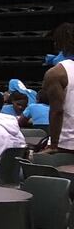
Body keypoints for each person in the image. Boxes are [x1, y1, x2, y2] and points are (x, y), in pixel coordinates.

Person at [42, 22, 74, 164]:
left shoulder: (56, 73)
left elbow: (57, 111)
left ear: (58, 44)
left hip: (67, 143)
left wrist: (53, 144)